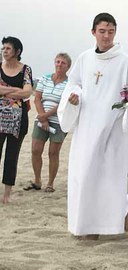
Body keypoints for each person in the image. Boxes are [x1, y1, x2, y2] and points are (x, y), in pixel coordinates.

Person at [58, 13, 128, 239]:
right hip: (86, 126)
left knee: (107, 178)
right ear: (93, 32)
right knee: (83, 175)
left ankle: (103, 225)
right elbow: (74, 84)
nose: (106, 36)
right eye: (102, 31)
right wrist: (74, 96)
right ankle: (84, 224)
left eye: (111, 31)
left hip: (112, 129)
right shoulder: (84, 59)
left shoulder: (125, 61)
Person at [24, 53, 71, 193]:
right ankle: (37, 180)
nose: (59, 65)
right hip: (41, 118)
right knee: (35, 150)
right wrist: (42, 117)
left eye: (63, 63)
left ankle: (50, 183)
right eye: (57, 61)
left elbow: (63, 104)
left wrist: (46, 116)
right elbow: (37, 98)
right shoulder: (45, 78)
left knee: (53, 153)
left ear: (68, 67)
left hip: (58, 120)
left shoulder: (69, 84)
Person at [0, 36, 33, 203]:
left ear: (17, 51)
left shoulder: (25, 70)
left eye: (8, 48)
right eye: (3, 48)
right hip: (0, 120)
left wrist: (4, 90)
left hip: (18, 122)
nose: (4, 51)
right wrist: (15, 89)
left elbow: (27, 92)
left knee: (12, 157)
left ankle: (7, 193)